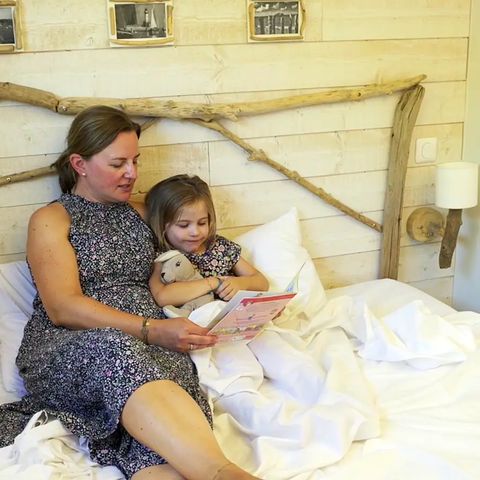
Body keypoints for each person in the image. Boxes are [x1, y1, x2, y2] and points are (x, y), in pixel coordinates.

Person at [0, 106, 262, 480]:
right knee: (117, 350)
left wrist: (248, 300)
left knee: (165, 398)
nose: (132, 173)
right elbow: (62, 307)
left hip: (154, 342)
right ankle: (223, 473)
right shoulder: (52, 219)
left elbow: (200, 256)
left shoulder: (146, 213)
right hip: (74, 345)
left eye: (135, 161)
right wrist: (150, 330)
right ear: (80, 164)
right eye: (118, 163)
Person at [145, 175, 269, 311]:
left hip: (230, 315)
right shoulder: (163, 257)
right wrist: (212, 283)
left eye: (202, 223)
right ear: (162, 225)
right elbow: (162, 296)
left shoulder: (220, 247)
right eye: (184, 225)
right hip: (195, 319)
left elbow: (261, 282)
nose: (195, 232)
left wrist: (241, 283)